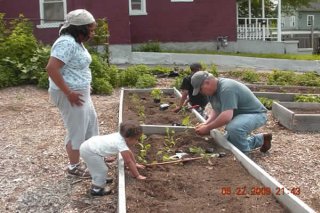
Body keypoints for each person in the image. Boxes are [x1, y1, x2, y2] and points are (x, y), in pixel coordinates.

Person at [46, 9, 99, 177]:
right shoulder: (66, 43)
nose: (92, 33)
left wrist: (85, 85)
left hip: (80, 91)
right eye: (90, 29)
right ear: (80, 29)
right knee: (77, 129)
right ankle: (74, 167)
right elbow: (52, 68)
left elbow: (75, 67)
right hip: (69, 94)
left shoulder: (76, 41)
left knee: (90, 124)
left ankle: (94, 156)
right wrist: (69, 92)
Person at [191, 71, 272, 154]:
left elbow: (226, 117)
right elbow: (216, 110)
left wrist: (208, 128)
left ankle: (244, 156)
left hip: (256, 114)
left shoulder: (227, 88)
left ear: (207, 82)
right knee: (228, 142)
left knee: (234, 128)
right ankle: (261, 139)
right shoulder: (212, 92)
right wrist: (206, 123)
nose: (201, 93)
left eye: (200, 89)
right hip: (240, 116)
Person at [80, 121, 147, 196]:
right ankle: (97, 189)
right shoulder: (121, 144)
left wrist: (135, 164)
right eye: (136, 139)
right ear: (128, 138)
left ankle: (101, 179)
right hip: (89, 151)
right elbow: (128, 161)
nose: (136, 141)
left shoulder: (120, 136)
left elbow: (129, 153)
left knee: (98, 168)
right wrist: (137, 175)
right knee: (101, 170)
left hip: (90, 146)